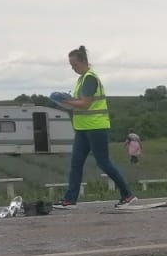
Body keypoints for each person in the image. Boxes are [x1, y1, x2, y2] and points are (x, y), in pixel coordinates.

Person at [51, 46, 136, 208]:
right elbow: (80, 103)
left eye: (74, 64)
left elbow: (85, 104)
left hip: (96, 126)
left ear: (83, 61)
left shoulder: (90, 79)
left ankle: (127, 194)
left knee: (103, 162)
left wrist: (65, 100)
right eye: (71, 65)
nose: (72, 68)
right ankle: (70, 199)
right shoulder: (82, 79)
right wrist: (68, 101)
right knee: (76, 163)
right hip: (83, 128)